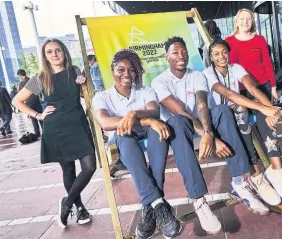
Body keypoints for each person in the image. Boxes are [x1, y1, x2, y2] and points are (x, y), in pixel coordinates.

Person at [151, 36, 275, 234]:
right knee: (178, 122)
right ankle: (199, 200)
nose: (180, 55)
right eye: (175, 52)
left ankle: (239, 182)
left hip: (201, 122)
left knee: (223, 111)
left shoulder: (197, 75)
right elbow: (179, 112)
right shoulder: (159, 81)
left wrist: (208, 132)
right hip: (179, 127)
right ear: (167, 57)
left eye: (183, 51)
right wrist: (212, 139)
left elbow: (202, 104)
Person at [93, 49, 181, 238]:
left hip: (145, 133)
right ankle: (159, 204)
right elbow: (106, 123)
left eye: (131, 70)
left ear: (136, 72)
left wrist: (135, 115)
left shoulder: (145, 90)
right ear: (112, 71)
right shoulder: (102, 96)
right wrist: (145, 119)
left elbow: (154, 112)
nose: (126, 74)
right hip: (123, 142)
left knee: (159, 130)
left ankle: (149, 207)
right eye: (121, 69)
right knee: (124, 135)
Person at [12, 39, 96, 228]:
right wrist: (38, 115)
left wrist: (84, 81)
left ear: (64, 52)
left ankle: (67, 203)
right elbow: (17, 101)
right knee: (68, 169)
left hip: (78, 124)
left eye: (58, 50)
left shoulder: (74, 71)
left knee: (90, 167)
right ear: (45, 56)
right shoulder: (40, 77)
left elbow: (86, 95)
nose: (54, 54)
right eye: (49, 52)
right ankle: (80, 206)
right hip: (55, 128)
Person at [203, 37, 282, 206]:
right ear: (210, 56)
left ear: (229, 53)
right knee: (241, 110)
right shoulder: (207, 73)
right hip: (219, 119)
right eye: (216, 54)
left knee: (258, 109)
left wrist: (270, 110)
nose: (221, 56)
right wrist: (263, 108)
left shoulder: (236, 68)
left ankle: (276, 168)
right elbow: (229, 95)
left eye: (224, 52)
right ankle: (256, 174)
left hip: (238, 111)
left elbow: (252, 88)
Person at [225, 9, 278, 104]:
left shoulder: (260, 39)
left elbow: (267, 62)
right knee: (245, 118)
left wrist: (273, 87)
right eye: (242, 19)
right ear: (236, 22)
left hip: (262, 86)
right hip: (240, 88)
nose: (245, 21)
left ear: (252, 22)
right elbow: (226, 67)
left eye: (248, 19)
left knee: (267, 117)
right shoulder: (228, 41)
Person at [17, 69, 43, 138]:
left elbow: (20, 94)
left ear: (19, 75)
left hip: (29, 102)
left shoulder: (21, 83)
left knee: (33, 118)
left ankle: (37, 133)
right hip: (36, 100)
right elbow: (38, 90)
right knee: (41, 116)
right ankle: (45, 130)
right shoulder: (31, 80)